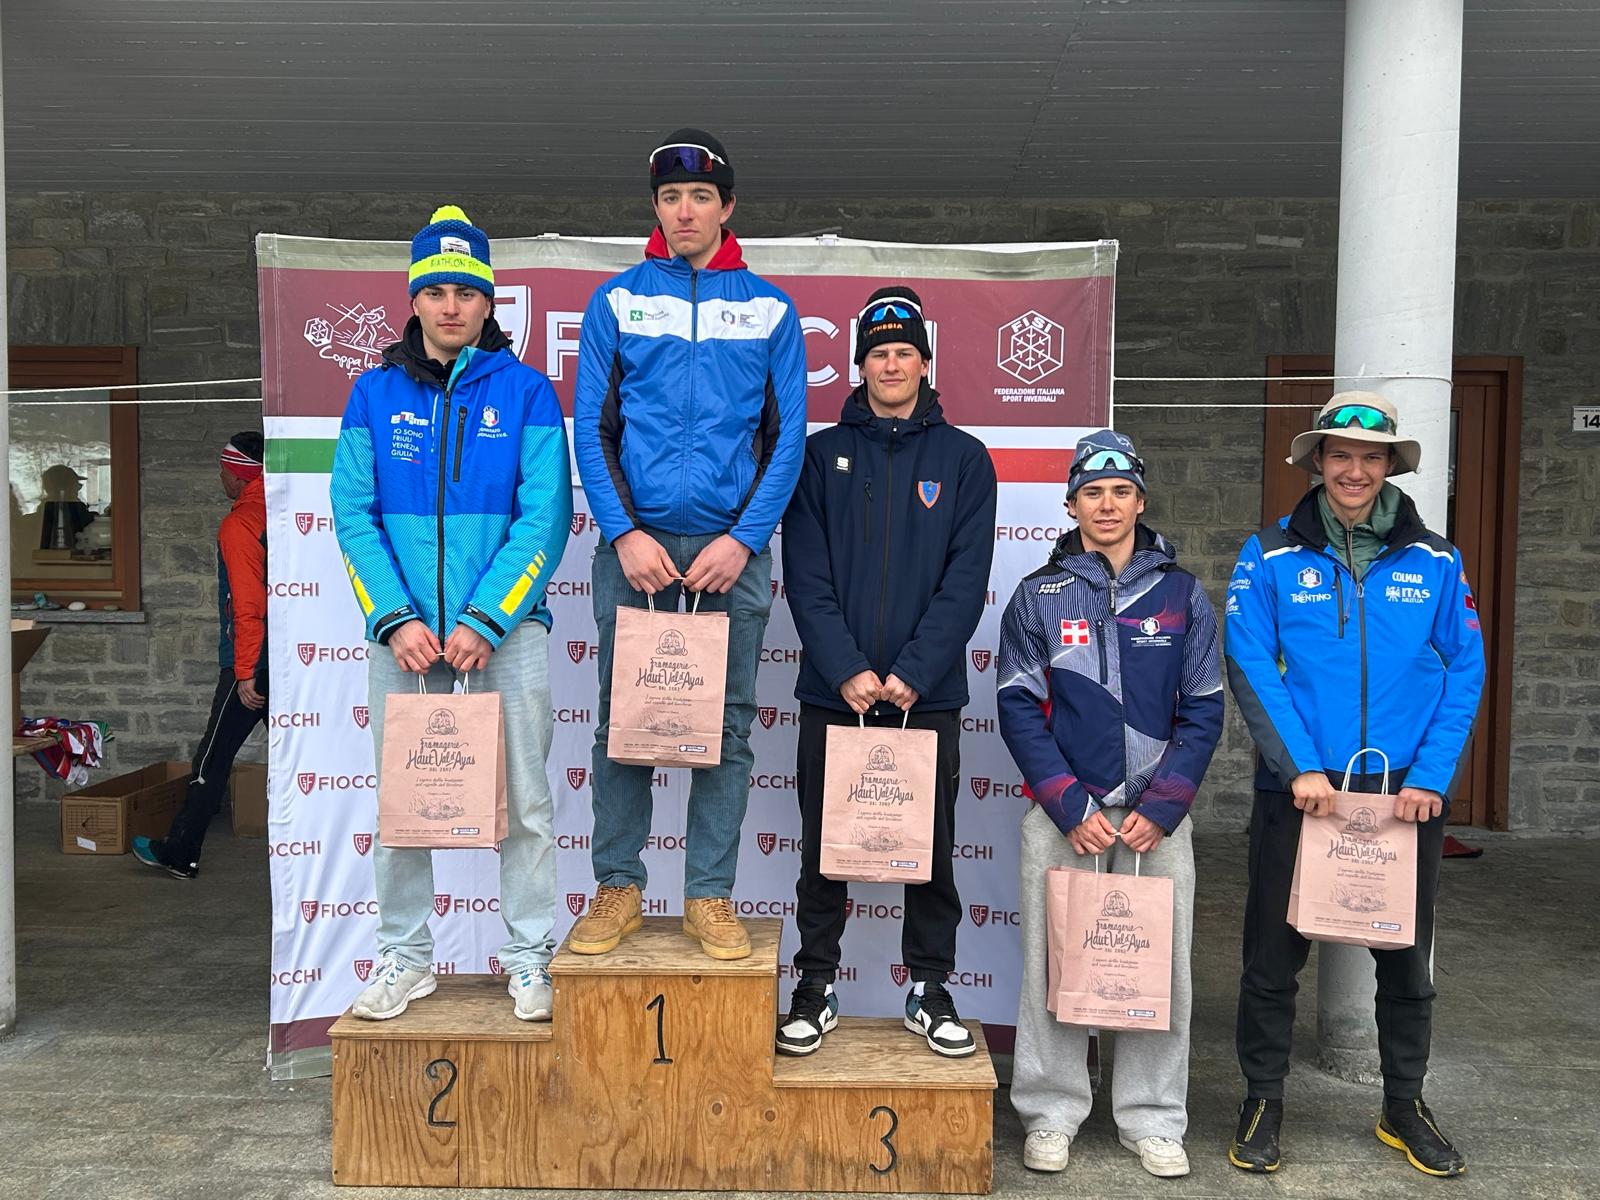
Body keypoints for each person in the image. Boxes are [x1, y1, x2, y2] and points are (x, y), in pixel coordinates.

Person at [1224, 391, 1484, 1178]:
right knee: (1272, 959)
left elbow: (1464, 669)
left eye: (1372, 457)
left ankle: (1403, 1105)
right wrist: (1300, 767)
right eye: (1341, 455)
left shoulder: (1437, 560)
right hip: (1302, 789)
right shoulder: (1269, 553)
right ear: (1318, 462)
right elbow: (1249, 661)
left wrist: (1430, 775)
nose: (1355, 470)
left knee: (1405, 963)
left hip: (1404, 793)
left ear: (1390, 466)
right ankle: (1263, 1098)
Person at [329, 205, 572, 1021]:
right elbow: (353, 514)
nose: (451, 306)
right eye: (435, 291)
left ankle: (530, 958)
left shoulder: (526, 391)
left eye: (466, 292)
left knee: (525, 803)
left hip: (503, 634)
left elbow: (543, 518)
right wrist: (395, 618)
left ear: (489, 301)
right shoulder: (373, 393)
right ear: (414, 300)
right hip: (403, 638)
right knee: (403, 805)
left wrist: (485, 619)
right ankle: (405, 958)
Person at [569, 128, 807, 961]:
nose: (684, 211)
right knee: (624, 723)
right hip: (637, 550)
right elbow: (593, 429)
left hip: (727, 554)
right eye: (670, 197)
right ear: (656, 207)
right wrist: (623, 532)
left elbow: (786, 439)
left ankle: (709, 896)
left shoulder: (770, 310)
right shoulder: (617, 302)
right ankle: (618, 888)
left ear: (727, 206)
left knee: (726, 729)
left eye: (700, 196)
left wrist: (744, 540)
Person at [774, 287, 997, 1058]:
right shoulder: (819, 456)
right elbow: (806, 575)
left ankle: (930, 988)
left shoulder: (964, 460)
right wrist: (844, 669)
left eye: (905, 352)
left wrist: (913, 672)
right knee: (823, 848)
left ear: (925, 364)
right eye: (879, 353)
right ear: (860, 365)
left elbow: (966, 580)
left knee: (930, 849)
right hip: (833, 693)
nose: (892, 364)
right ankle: (815, 984)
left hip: (923, 698)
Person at [996, 430, 1222, 1180]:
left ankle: (1152, 1118)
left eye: (1121, 491)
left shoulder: (1182, 595)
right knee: (1054, 966)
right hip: (1069, 818)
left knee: (1158, 970)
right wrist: (1068, 804)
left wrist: (1164, 806)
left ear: (1141, 502)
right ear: (1071, 504)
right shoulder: (1038, 594)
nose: (1107, 504)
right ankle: (1050, 1112)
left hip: (1155, 821)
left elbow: (1204, 709)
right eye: (1092, 492)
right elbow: (1018, 707)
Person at [133, 434, 268, 879]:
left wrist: (245, 670)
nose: (220, 478)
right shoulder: (287, 513)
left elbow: (248, 603)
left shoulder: (242, 523)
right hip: (290, 659)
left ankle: (180, 852)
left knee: (212, 761)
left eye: (223, 470)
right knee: (309, 761)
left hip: (253, 661)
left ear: (239, 475)